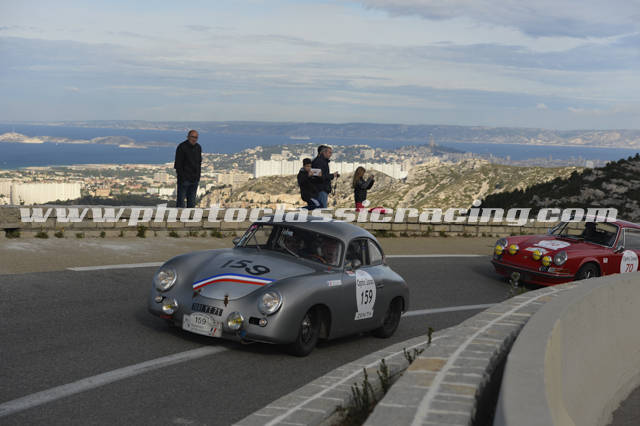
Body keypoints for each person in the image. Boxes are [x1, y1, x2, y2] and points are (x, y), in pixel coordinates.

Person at [174, 130, 202, 208]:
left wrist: (198, 176)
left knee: (192, 202)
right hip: (184, 180)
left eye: (196, 137)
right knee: (181, 202)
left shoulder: (198, 147)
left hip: (194, 180)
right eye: (192, 137)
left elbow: (199, 163)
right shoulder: (182, 147)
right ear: (188, 137)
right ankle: (179, 216)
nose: (194, 139)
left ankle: (190, 216)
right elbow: (178, 164)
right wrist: (183, 177)